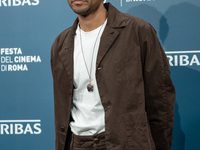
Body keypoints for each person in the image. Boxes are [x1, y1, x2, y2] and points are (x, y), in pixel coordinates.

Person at [51, 0, 176, 150]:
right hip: (77, 143)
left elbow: (160, 100)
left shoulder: (138, 31)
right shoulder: (60, 44)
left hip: (127, 142)